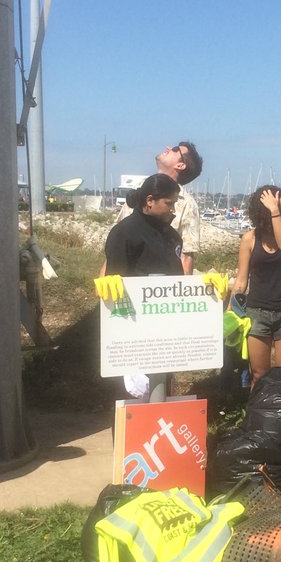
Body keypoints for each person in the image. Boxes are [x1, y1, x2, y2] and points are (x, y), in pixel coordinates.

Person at [102, 174, 184, 402]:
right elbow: (114, 279)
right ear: (150, 200)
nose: (173, 209)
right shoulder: (124, 233)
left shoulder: (171, 235)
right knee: (132, 398)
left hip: (166, 327)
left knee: (161, 391)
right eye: (169, 203)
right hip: (134, 329)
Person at [231, 185, 281, 387]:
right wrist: (231, 311)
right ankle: (257, 416)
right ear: (264, 212)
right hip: (257, 312)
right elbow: (241, 279)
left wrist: (275, 211)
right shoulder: (249, 239)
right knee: (259, 374)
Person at [114, 141, 203, 274]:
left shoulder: (187, 204)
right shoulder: (139, 189)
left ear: (181, 165)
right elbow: (117, 242)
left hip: (158, 287)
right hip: (126, 284)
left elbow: (185, 257)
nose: (168, 147)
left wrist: (183, 291)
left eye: (174, 149)